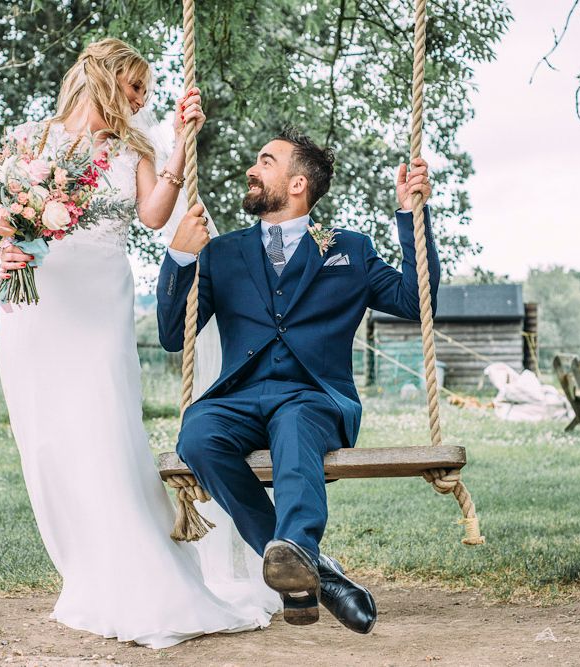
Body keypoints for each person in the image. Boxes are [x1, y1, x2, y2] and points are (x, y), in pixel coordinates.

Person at [0, 38, 279, 650]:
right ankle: (88, 571)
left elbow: (151, 215)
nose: (140, 98)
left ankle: (142, 574)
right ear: (100, 77)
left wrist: (177, 145)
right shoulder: (28, 141)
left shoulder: (134, 149)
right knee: (51, 441)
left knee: (103, 428)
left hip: (99, 304)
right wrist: (1, 248)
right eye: (134, 86)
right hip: (35, 305)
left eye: (146, 90)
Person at [157, 128, 440, 633]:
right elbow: (173, 336)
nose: (252, 168)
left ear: (297, 184)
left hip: (313, 397)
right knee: (197, 434)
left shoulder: (348, 250)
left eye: (266, 161)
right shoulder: (221, 253)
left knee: (295, 422)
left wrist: (412, 216)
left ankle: (299, 554)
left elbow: (417, 302)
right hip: (240, 398)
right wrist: (179, 256)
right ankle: (312, 568)